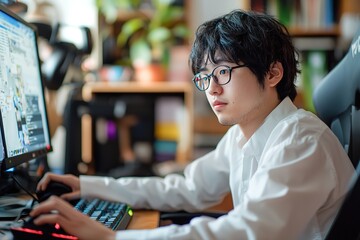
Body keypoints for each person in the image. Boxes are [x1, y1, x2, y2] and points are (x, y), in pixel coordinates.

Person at [31, 9, 355, 240]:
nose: (212, 88)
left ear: (273, 73)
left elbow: (248, 232)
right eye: (205, 77)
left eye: (224, 72)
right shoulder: (242, 136)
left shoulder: (300, 140)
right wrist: (86, 186)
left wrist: (110, 238)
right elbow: (185, 189)